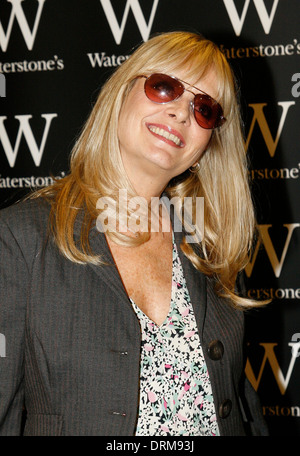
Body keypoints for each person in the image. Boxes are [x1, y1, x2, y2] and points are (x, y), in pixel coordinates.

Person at [0, 31, 268, 436]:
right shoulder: (22, 238)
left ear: (209, 141)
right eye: (165, 87)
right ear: (122, 92)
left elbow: (238, 401)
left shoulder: (212, 250)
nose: (181, 112)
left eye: (205, 109)